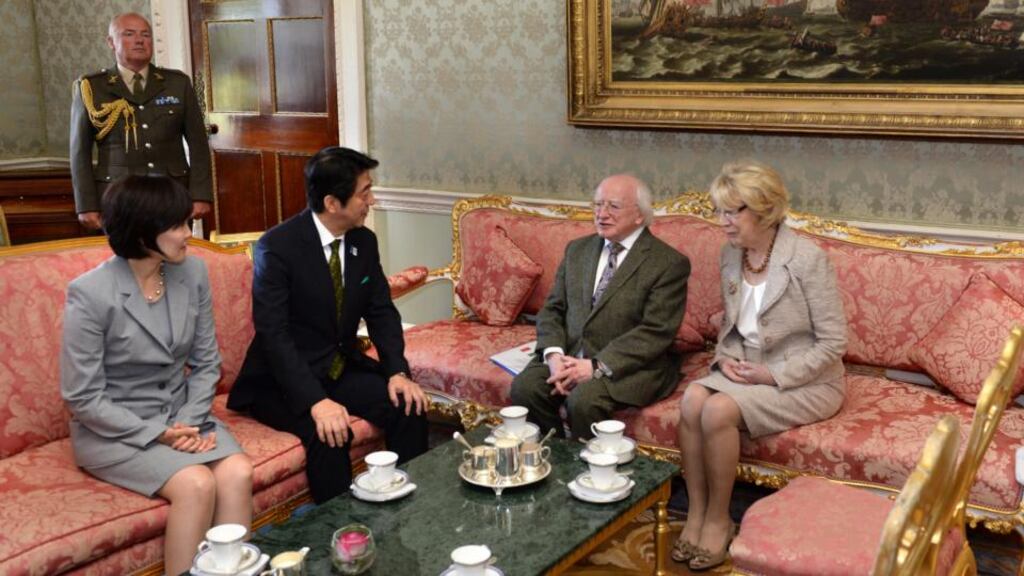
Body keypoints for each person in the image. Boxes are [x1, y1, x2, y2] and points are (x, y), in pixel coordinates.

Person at [60, 175, 253, 576]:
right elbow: (83, 397)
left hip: (183, 416)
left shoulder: (192, 273)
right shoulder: (91, 293)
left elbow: (206, 362)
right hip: (117, 431)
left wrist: (189, 420)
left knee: (237, 471)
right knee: (196, 483)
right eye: (178, 225)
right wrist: (159, 433)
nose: (189, 234)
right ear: (143, 231)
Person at [227, 146, 429, 504]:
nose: (372, 199)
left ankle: (411, 513)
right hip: (282, 381)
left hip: (338, 367)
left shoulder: (363, 242)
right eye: (365, 192)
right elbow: (275, 335)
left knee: (407, 405)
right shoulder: (277, 248)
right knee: (330, 435)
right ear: (333, 203)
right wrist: (315, 402)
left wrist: (398, 371)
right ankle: (340, 540)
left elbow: (381, 310)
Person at [673, 161, 847, 571]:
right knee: (691, 399)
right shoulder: (730, 256)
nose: (724, 222)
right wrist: (726, 360)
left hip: (807, 381)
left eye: (733, 212)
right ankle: (695, 514)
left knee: (716, 409)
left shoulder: (806, 259)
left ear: (765, 210)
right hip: (746, 370)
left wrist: (772, 375)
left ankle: (719, 520)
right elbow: (732, 329)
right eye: (720, 211)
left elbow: (834, 343)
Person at [510, 174, 690, 440]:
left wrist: (597, 365)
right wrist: (553, 355)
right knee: (525, 388)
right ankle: (557, 462)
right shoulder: (577, 250)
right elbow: (553, 309)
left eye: (613, 207)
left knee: (583, 400)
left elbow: (655, 332)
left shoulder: (667, 263)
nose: (601, 214)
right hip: (569, 355)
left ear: (640, 215)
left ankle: (595, 475)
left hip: (628, 366)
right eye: (597, 205)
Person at [70, 12, 212, 231]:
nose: (139, 40)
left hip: (171, 193)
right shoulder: (92, 87)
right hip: (118, 196)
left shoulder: (177, 83)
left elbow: (199, 143)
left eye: (145, 35)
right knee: (126, 260)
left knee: (174, 257)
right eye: (129, 34)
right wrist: (86, 205)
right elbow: (79, 152)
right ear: (111, 42)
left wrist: (200, 194)